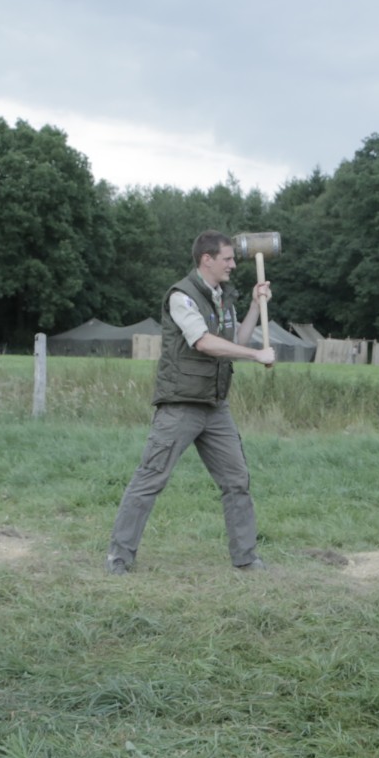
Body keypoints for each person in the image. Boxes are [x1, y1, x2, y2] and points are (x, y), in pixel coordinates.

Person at [107, 231, 275, 575]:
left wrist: (254, 307)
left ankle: (245, 558)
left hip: (215, 406)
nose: (233, 264)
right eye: (227, 258)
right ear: (206, 259)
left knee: (237, 480)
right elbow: (204, 342)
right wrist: (257, 355)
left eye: (234, 258)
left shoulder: (223, 297)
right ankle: (119, 556)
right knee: (151, 477)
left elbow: (236, 341)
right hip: (180, 404)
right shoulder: (181, 297)